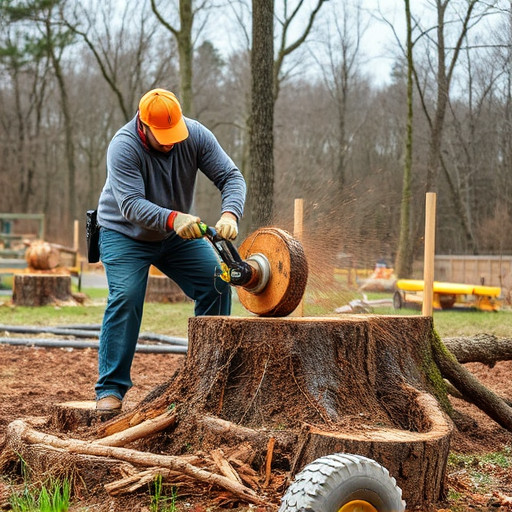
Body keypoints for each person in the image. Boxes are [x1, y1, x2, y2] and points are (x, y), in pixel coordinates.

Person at [94, 88, 246, 412]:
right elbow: (132, 206)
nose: (169, 142)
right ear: (143, 125)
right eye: (161, 136)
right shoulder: (123, 146)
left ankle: (207, 378)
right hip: (124, 234)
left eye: (173, 134)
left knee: (216, 282)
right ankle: (110, 389)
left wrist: (231, 212)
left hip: (174, 235)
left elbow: (230, 176)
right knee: (127, 296)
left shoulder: (195, 135)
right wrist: (174, 218)